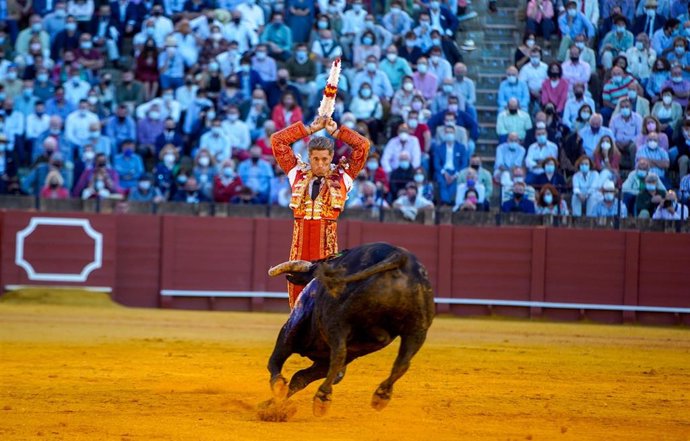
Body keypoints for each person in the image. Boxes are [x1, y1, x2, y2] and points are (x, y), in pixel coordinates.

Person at [271, 115, 369, 308]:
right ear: (309, 157)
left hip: (326, 251)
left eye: (324, 159)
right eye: (315, 159)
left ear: (331, 157)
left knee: (325, 303)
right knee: (297, 304)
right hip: (299, 248)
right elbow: (277, 141)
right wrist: (308, 129)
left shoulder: (343, 176)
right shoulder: (296, 173)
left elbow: (363, 146)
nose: (320, 164)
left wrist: (338, 132)